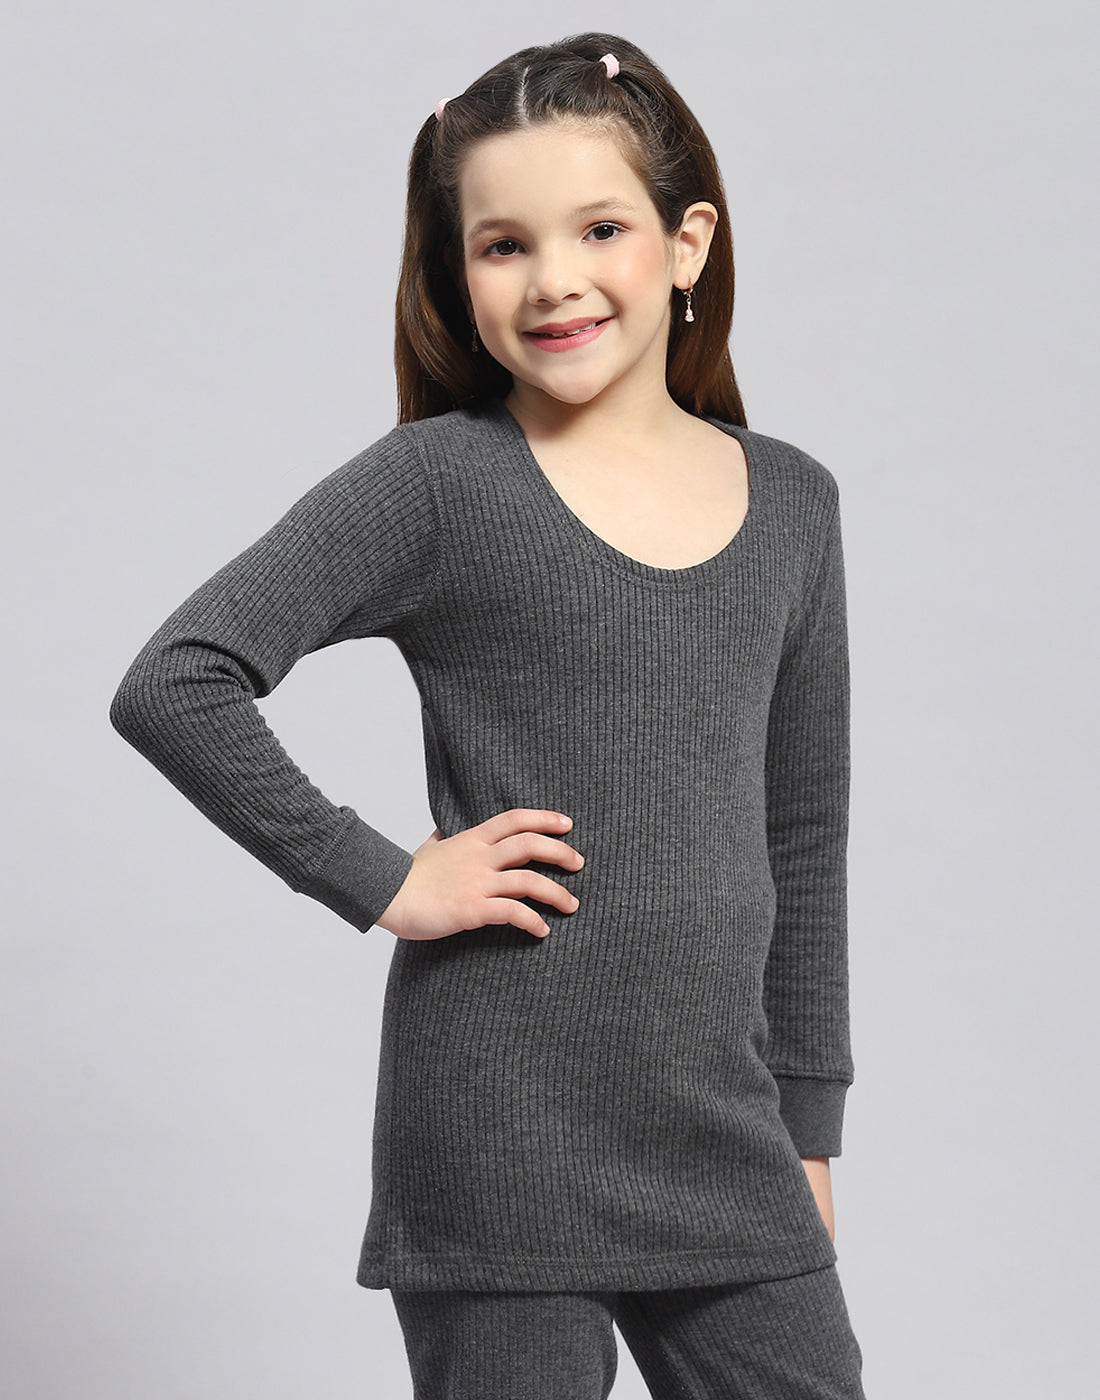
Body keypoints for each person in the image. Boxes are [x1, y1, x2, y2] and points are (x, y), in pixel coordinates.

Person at [110, 30, 866, 1400]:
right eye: (504, 245)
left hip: (725, 1130)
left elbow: (802, 840)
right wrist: (385, 878)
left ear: (687, 243)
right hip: (500, 1127)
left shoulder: (795, 506)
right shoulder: (440, 485)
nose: (554, 278)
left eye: (600, 229)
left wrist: (807, 1132)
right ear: (458, 277)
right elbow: (177, 680)